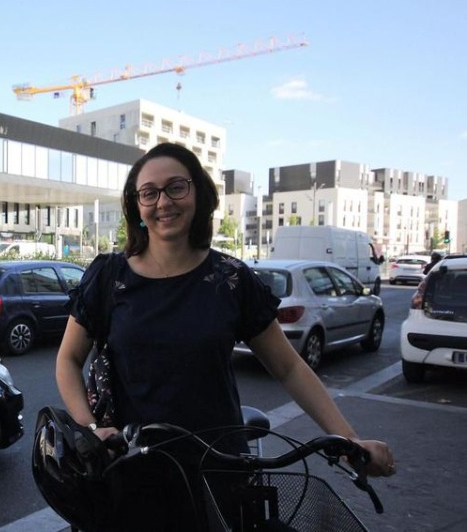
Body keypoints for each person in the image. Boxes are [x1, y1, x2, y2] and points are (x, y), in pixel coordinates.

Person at [55, 142, 395, 530]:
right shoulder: (109, 276)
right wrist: (91, 430)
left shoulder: (231, 279)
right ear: (137, 206)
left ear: (199, 193)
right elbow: (68, 360)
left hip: (218, 468)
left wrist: (348, 440)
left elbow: (288, 367)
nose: (163, 202)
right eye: (149, 192)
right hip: (129, 467)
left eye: (176, 187)